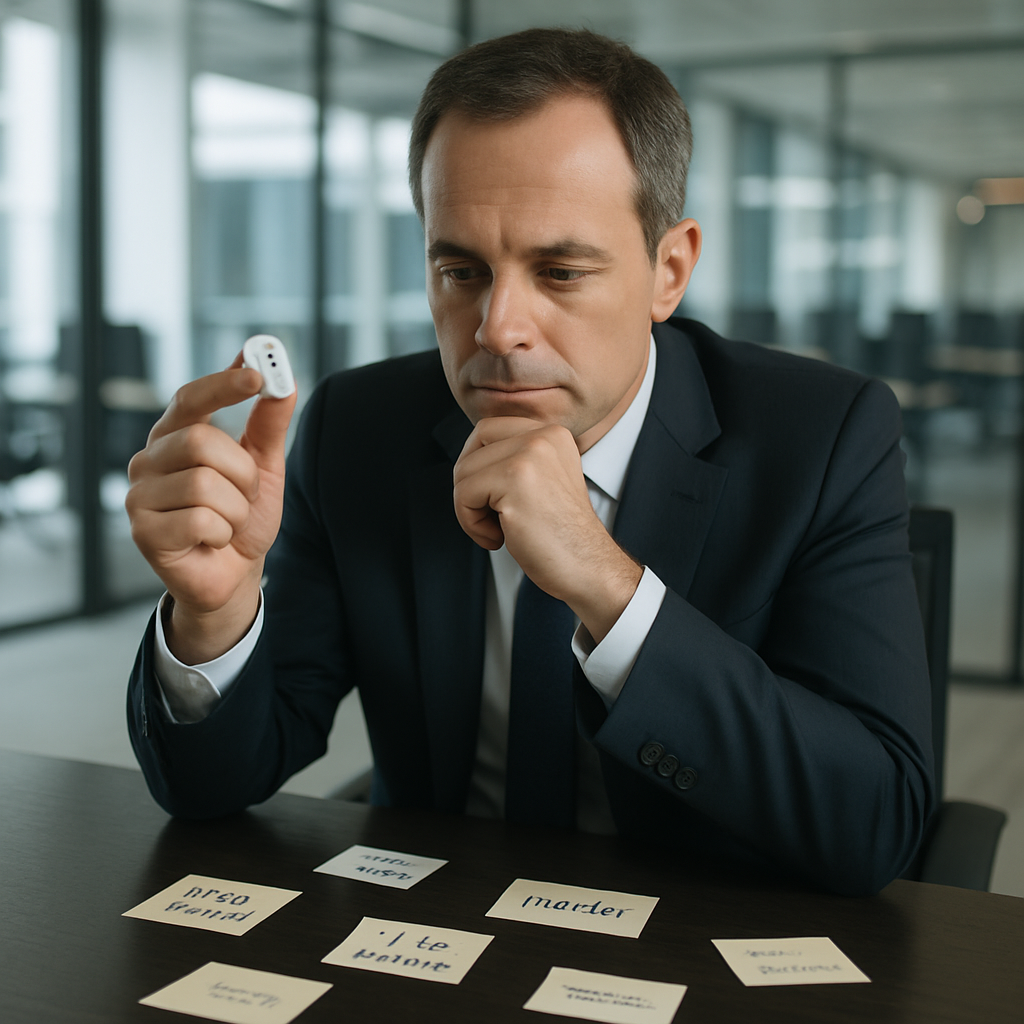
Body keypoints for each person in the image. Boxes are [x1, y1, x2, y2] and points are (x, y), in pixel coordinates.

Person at [125, 28, 934, 896]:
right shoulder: (359, 428)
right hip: (437, 923)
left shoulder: (822, 437)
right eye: (461, 270)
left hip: (697, 930)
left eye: (560, 271)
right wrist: (214, 615)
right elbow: (213, 787)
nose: (498, 328)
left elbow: (876, 820)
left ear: (669, 270)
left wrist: (606, 585)